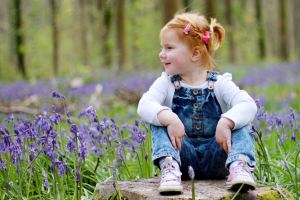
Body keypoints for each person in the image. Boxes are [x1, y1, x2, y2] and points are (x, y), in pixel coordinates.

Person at [137, 12, 257, 194]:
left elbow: (248, 104)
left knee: (241, 122)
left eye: (169, 48)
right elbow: (144, 104)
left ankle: (239, 165)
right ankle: (169, 169)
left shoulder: (219, 83)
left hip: (219, 158)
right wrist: (168, 117)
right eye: (162, 48)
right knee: (158, 120)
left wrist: (227, 121)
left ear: (195, 53)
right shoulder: (166, 82)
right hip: (182, 158)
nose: (161, 54)